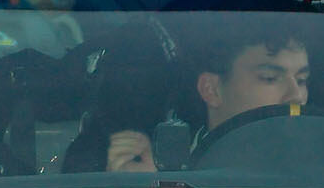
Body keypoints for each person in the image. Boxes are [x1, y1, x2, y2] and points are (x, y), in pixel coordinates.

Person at [106, 25, 310, 172]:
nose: (296, 96)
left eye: (301, 80)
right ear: (211, 90)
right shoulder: (164, 171)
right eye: (270, 78)